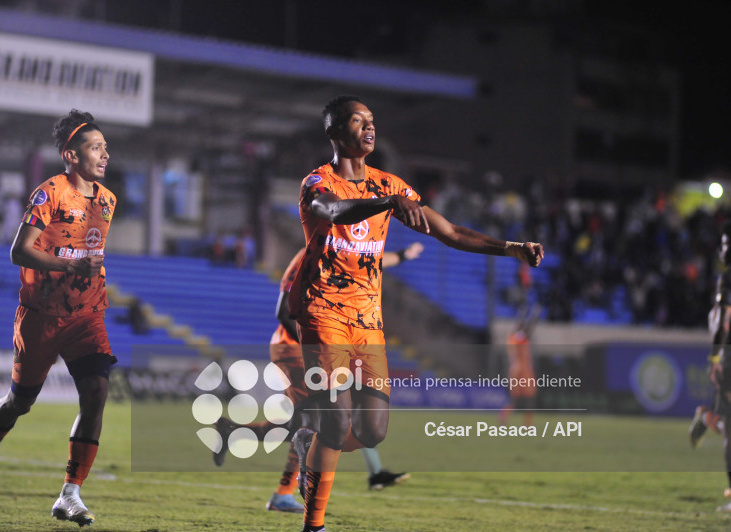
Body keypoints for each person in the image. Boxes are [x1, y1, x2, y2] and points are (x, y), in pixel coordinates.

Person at [288, 95, 543, 532]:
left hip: (368, 321)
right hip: (323, 312)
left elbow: (449, 231)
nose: (369, 127)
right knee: (337, 420)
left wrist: (510, 249)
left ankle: (310, 444)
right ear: (333, 131)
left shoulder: (390, 183)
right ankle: (314, 525)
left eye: (372, 121)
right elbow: (332, 211)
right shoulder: (318, 182)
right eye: (357, 120)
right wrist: (386, 205)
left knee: (372, 431)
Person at [0, 109, 115, 527]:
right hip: (41, 316)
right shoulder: (48, 194)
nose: (105, 153)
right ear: (71, 154)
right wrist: (70, 268)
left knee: (97, 392)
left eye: (105, 146)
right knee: (20, 402)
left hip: (87, 315)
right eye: (95, 147)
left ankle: (70, 494)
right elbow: (19, 251)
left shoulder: (107, 199)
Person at [212, 243, 424, 513]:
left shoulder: (349, 252)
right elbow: (283, 311)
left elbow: (376, 260)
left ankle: (236, 435)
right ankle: (285, 493)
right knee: (313, 422)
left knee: (312, 421)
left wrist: (404, 255)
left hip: (324, 346)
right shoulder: (310, 255)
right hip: (295, 349)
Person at [689, 221, 731, 512]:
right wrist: (716, 358)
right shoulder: (725, 280)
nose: (723, 250)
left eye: (727, 244)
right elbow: (721, 321)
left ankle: (705, 420)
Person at [499, 304, 541, 427]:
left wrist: (523, 313)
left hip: (516, 370)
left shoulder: (511, 338)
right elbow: (528, 330)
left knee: (516, 399)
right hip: (522, 370)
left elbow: (524, 328)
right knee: (529, 398)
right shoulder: (518, 338)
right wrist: (535, 315)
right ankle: (527, 424)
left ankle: (504, 416)